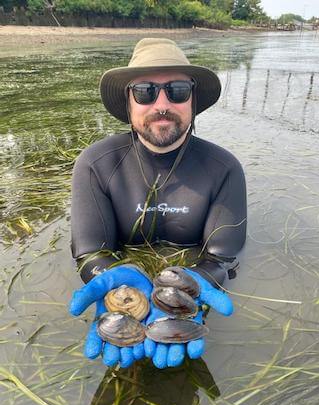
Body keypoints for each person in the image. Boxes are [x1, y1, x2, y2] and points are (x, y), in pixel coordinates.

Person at [69, 38, 247, 369]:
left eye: (177, 91)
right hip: (125, 301)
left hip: (184, 305)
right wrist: (120, 284)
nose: (161, 104)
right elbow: (90, 253)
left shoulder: (225, 169)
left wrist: (190, 290)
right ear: (129, 103)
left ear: (192, 100)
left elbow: (223, 259)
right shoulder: (95, 165)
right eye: (146, 92)